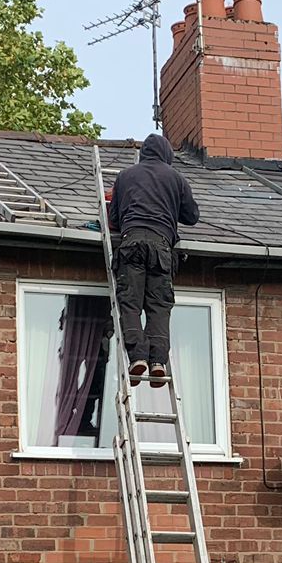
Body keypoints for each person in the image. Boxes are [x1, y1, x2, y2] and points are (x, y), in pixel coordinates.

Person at [106, 131, 200, 386]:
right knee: (159, 307)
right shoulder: (176, 178)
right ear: (167, 155)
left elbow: (112, 219)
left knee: (130, 303)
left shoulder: (124, 176)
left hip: (131, 242)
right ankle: (158, 361)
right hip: (161, 247)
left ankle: (137, 356)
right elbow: (192, 216)